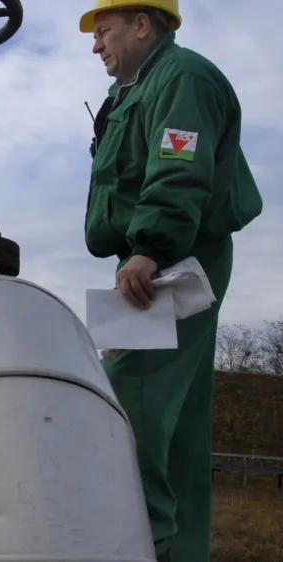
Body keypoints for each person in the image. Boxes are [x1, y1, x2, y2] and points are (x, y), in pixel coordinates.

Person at [79, 1, 263, 561]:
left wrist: (151, 249)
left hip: (175, 257)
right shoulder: (131, 92)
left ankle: (138, 546)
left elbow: (178, 166)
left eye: (103, 30)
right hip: (154, 256)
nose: (95, 45)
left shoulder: (182, 77)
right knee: (176, 417)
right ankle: (180, 550)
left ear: (142, 24)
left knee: (130, 398)